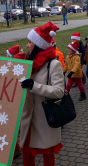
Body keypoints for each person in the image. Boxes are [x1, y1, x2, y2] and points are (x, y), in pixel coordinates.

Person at [20, 22, 64, 166]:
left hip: (44, 120)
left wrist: (34, 86)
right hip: (27, 119)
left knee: (47, 155)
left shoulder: (54, 64)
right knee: (26, 154)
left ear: (38, 44)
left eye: (30, 42)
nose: (27, 46)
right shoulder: (28, 63)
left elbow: (59, 92)